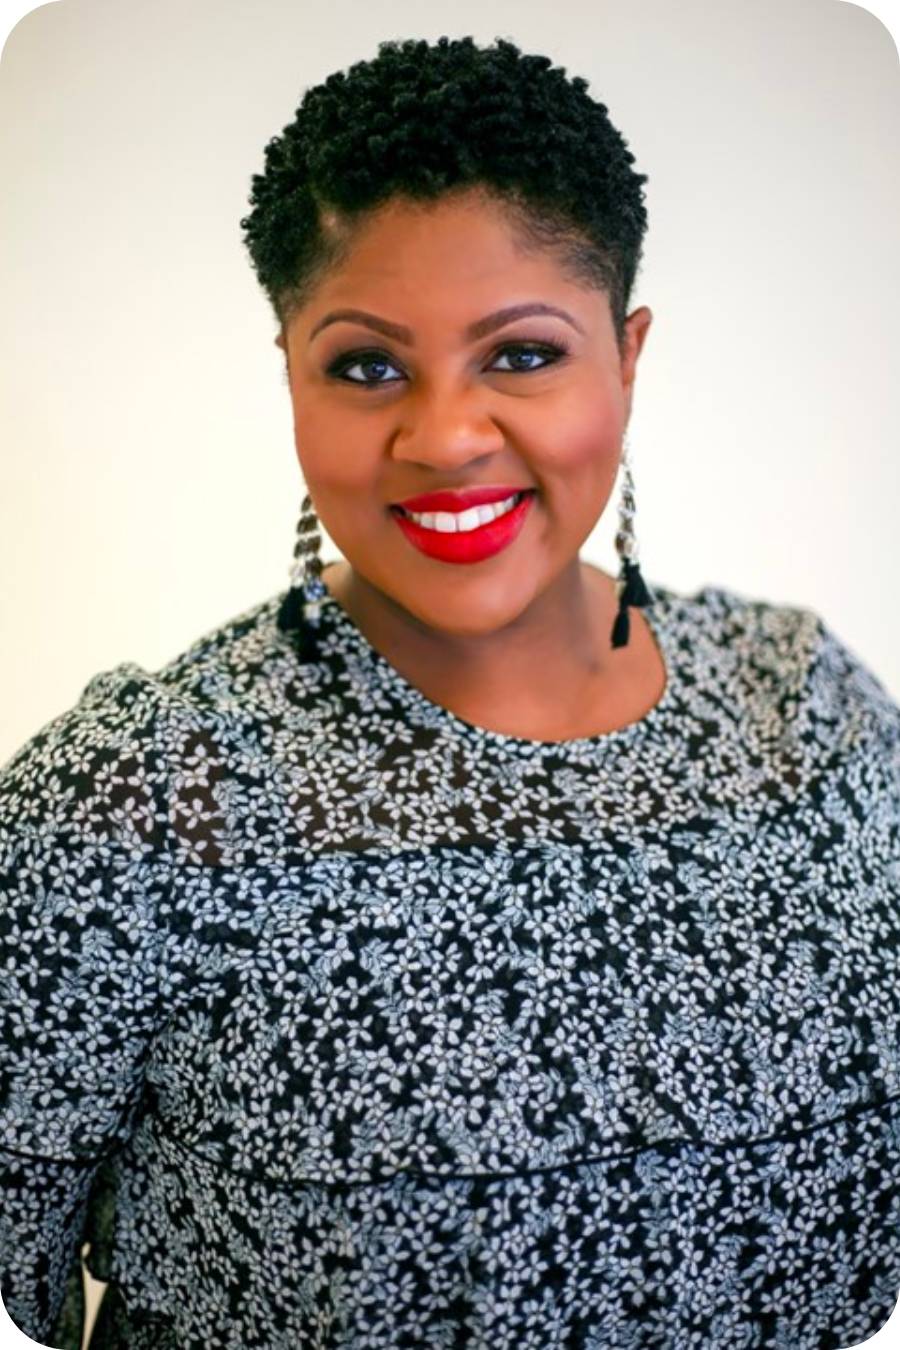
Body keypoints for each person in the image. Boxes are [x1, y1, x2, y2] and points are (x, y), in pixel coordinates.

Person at [2, 32, 899, 1350]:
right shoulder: (141, 798)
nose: (445, 438)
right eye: (367, 365)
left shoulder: (811, 716)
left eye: (522, 354)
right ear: (290, 373)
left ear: (627, 356)